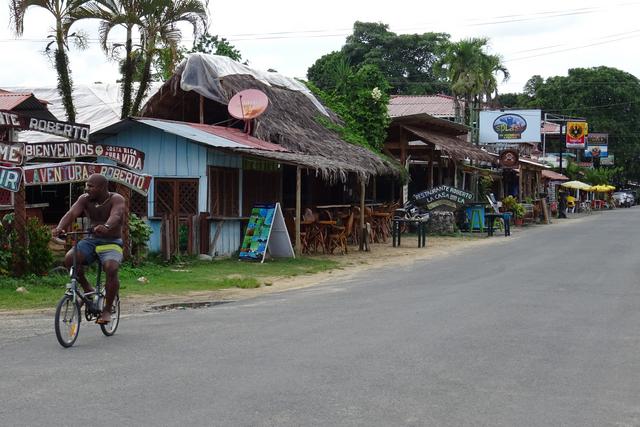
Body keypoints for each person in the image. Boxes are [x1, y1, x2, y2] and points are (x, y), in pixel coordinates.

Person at [53, 174, 126, 324]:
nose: (87, 189)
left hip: (111, 241)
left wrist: (106, 226)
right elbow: (72, 213)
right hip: (91, 240)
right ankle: (87, 289)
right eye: (86, 185)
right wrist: (60, 227)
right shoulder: (84, 199)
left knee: (111, 268)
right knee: (70, 258)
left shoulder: (116, 199)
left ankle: (106, 310)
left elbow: (117, 215)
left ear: (102, 188)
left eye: (91, 186)